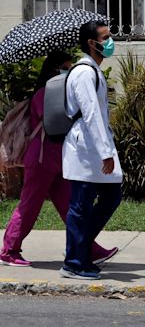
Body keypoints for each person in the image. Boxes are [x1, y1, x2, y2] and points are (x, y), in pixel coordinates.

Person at [0, 51, 117, 267]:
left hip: (59, 159)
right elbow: (56, 122)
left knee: (70, 205)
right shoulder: (44, 94)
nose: (69, 71)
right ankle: (9, 249)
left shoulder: (60, 92)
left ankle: (88, 247)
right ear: (54, 70)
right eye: (65, 67)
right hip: (42, 158)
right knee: (30, 205)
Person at [60, 21, 123, 280]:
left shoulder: (92, 71)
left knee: (111, 196)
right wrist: (106, 152)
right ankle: (74, 262)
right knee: (80, 206)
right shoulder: (85, 73)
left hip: (92, 147)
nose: (110, 42)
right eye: (105, 37)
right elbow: (91, 115)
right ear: (91, 43)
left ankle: (83, 251)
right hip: (86, 148)